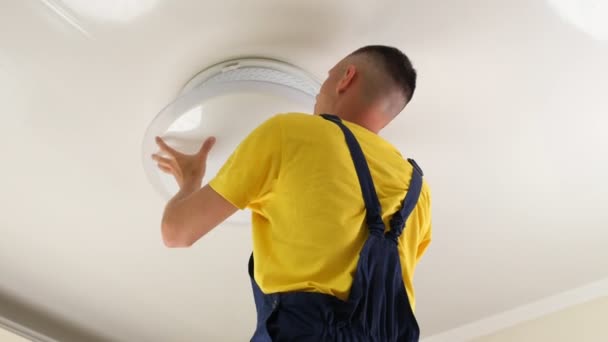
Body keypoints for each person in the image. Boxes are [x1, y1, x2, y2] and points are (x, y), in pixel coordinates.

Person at [152, 45, 432, 341]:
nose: (318, 91)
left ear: (346, 78)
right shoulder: (418, 190)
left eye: (327, 77)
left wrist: (190, 182)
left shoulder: (292, 132)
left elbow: (176, 232)